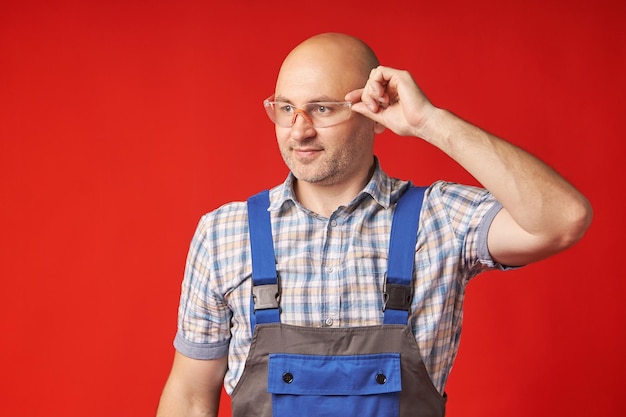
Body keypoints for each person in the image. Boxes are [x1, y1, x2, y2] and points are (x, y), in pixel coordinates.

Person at [156, 33, 592, 417]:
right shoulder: (224, 233)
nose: (298, 130)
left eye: (322, 109)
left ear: (374, 110)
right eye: (286, 108)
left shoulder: (439, 218)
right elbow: (191, 396)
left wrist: (430, 122)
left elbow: (563, 220)